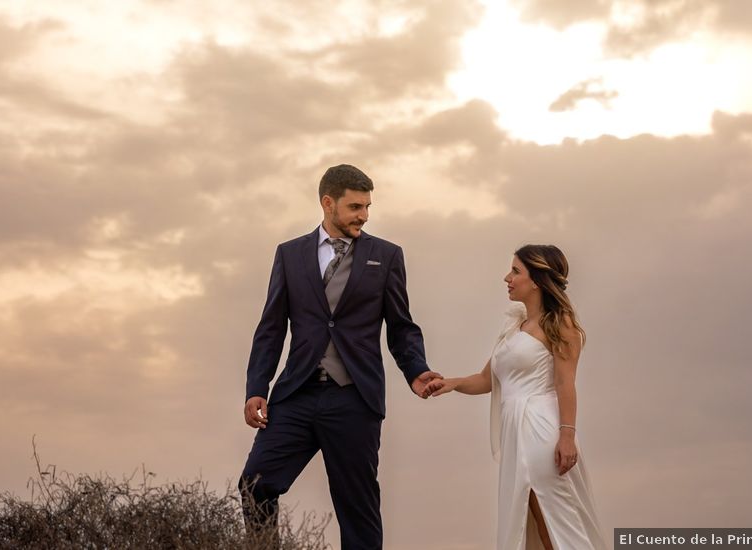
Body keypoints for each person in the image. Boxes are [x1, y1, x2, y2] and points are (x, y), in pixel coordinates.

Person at [238, 164, 442, 549]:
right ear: (327, 203)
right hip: (296, 395)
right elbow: (270, 329)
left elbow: (401, 326)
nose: (363, 216)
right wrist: (256, 388)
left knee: (357, 509)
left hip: (354, 398)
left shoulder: (387, 256)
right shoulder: (289, 254)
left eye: (367, 207)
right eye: (354, 207)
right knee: (256, 485)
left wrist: (416, 370)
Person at [428, 245, 607, 549]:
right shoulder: (514, 327)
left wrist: (566, 436)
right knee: (534, 518)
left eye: (515, 271)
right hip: (515, 432)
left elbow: (566, 383)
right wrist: (450, 383)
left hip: (542, 429)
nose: (507, 278)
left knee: (557, 516)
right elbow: (487, 380)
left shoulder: (560, 325)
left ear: (536, 279)